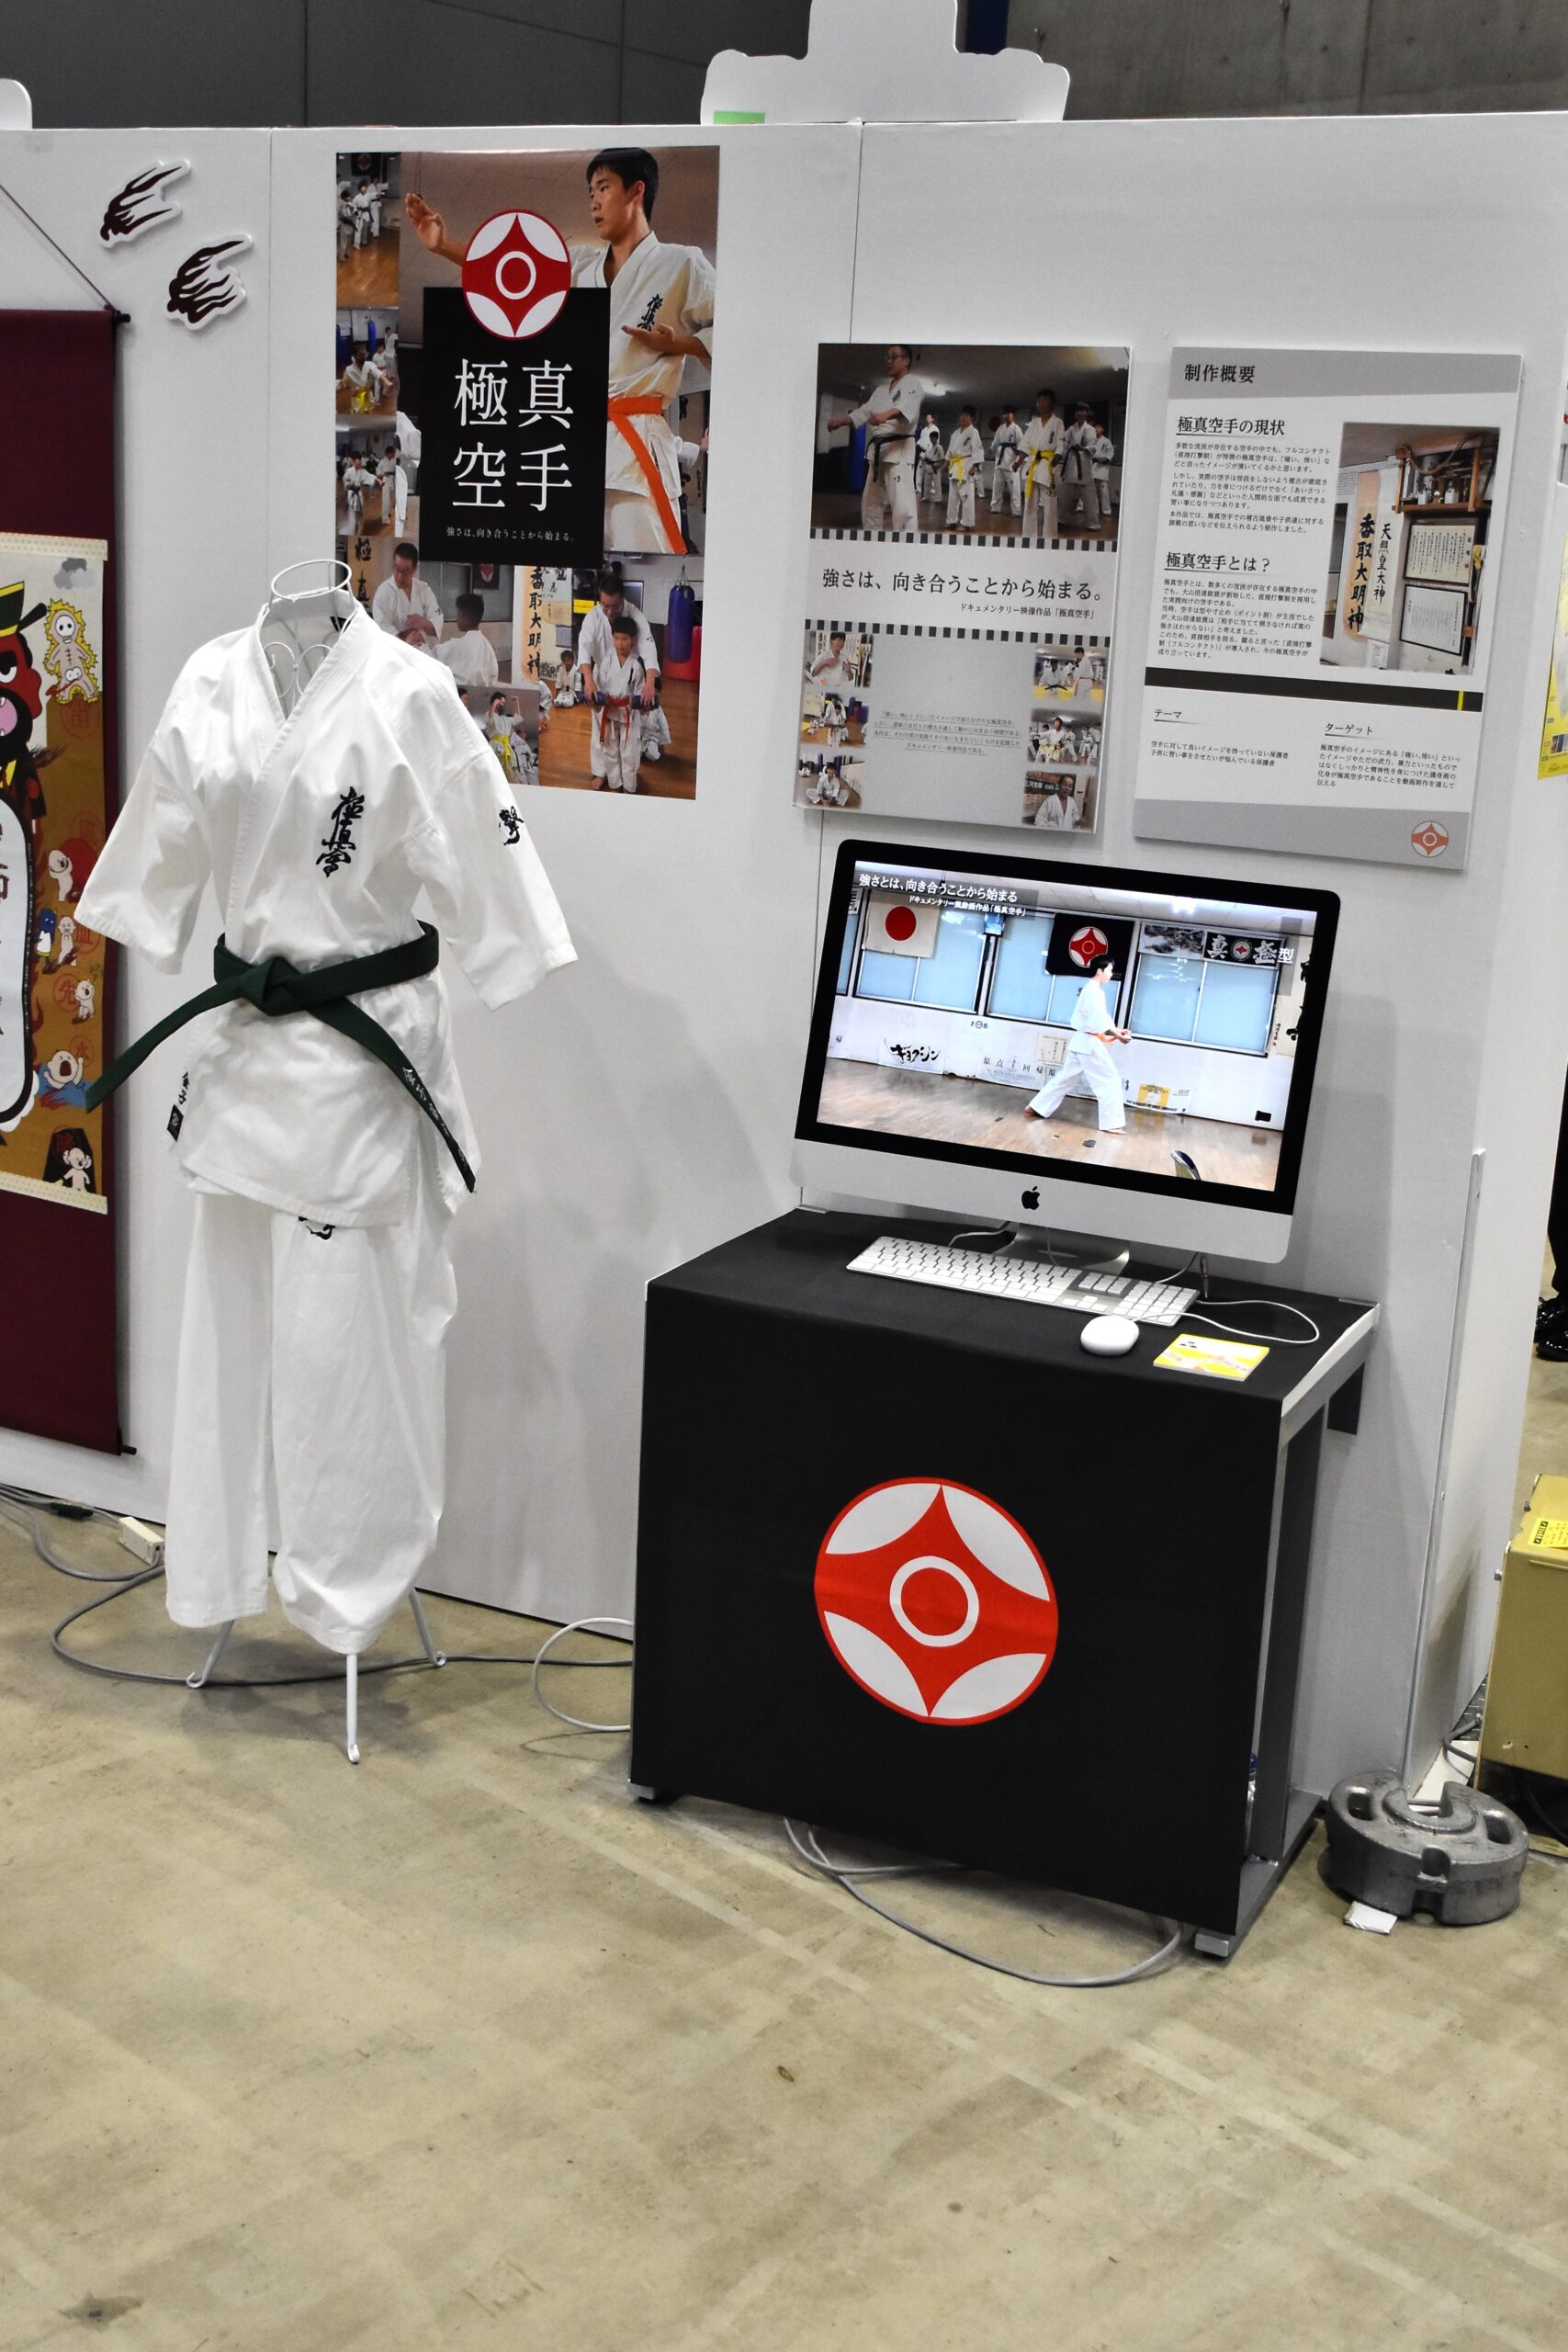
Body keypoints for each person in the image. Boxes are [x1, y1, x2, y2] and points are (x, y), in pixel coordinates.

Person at [407, 147, 714, 555]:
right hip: (574, 450)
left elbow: (739, 331)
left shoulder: (682, 264)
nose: (594, 202)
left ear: (636, 191)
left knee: (646, 557)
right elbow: (511, 269)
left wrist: (680, 344)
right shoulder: (581, 265)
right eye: (591, 193)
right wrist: (444, 245)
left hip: (636, 453)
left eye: (603, 188)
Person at [826, 344, 925, 532]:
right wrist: (840, 421)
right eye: (887, 357)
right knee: (870, 505)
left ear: (906, 360)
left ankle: (906, 545)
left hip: (899, 453)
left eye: (893, 357)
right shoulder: (880, 390)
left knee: (903, 508)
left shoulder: (913, 384)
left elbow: (906, 407)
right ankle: (871, 540)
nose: (889, 361)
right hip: (878, 454)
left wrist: (884, 415)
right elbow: (863, 412)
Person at [1027, 952, 1128, 1133]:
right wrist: (1117, 1034)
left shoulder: (1091, 990)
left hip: (1082, 1041)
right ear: (1099, 971)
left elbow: (1099, 1019)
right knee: (1110, 1080)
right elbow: (1098, 1018)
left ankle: (1036, 1107)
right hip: (1088, 1044)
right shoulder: (1093, 991)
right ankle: (1111, 1124)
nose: (1111, 974)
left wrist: (1116, 1031)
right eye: (1109, 970)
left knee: (1066, 1078)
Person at [575, 568, 668, 764]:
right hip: (601, 676)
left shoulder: (635, 615)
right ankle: (600, 771)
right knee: (601, 723)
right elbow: (583, 646)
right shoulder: (593, 617)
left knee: (629, 727)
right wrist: (588, 680)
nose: (609, 612)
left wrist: (650, 683)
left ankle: (628, 768)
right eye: (605, 606)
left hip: (628, 676)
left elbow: (648, 648)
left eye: (614, 607)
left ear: (622, 599)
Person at [591, 610, 647, 792]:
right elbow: (600, 687)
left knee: (629, 753)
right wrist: (602, 699)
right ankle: (615, 784)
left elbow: (640, 694)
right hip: (610, 713)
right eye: (616, 638)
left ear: (633, 640)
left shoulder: (636, 666)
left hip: (628, 715)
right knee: (610, 751)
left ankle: (629, 787)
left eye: (624, 639)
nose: (619, 643)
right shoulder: (607, 662)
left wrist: (634, 701)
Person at [1021, 387, 1065, 540]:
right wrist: (1018, 461)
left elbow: (1061, 443)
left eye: (1044, 400)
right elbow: (1025, 443)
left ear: (1052, 403)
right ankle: (1028, 536)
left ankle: (1050, 537)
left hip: (1048, 465)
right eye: (1038, 401)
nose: (1040, 403)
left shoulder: (1058, 423)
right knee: (1029, 504)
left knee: (1050, 505)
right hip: (1033, 465)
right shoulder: (1033, 423)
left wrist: (1057, 456)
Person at [372, 540, 442, 637]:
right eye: (397, 569)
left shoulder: (424, 589)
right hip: (395, 646)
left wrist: (424, 623)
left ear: (415, 569)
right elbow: (382, 628)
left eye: (405, 572)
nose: (399, 577)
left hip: (422, 645)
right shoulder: (384, 591)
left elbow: (437, 621)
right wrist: (405, 637)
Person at [435, 591, 500, 694]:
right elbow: (493, 677)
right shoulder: (488, 647)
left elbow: (432, 655)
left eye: (458, 615)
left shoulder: (456, 646)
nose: (457, 619)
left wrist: (419, 642)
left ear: (465, 618)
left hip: (459, 696)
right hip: (481, 698)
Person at [1058, 403, 1100, 533]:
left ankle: (1093, 523)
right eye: (1078, 411)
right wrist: (1060, 453)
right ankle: (1062, 519)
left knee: (1089, 496)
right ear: (1076, 414)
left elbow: (1093, 446)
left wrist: (1083, 448)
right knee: (1066, 494)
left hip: (1084, 463)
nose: (1080, 413)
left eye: (1082, 411)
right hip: (1072, 462)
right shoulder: (1071, 429)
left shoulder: (1090, 429)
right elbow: (1063, 442)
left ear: (1086, 413)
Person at [945, 406, 986, 530]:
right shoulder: (955, 434)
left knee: (966, 497)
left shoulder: (974, 432)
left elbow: (978, 450)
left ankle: (967, 523)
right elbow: (950, 451)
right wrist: (945, 464)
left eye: (966, 415)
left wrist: (974, 466)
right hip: (955, 467)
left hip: (966, 467)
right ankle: (951, 520)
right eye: (962, 415)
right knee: (952, 497)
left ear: (972, 418)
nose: (962, 417)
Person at [990, 407, 1024, 516]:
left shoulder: (1016, 429)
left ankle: (1016, 510)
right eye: (1004, 414)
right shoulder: (1000, 428)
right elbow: (996, 441)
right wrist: (992, 448)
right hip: (1000, 461)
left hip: (1011, 462)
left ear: (1013, 415)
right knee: (997, 486)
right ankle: (995, 507)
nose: (1006, 416)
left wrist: (1018, 462)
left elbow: (1021, 446)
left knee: (1014, 489)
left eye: (1008, 414)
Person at [809, 630, 856, 694]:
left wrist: (848, 671)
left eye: (843, 641)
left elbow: (850, 678)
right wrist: (824, 662)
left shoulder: (844, 658)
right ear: (832, 641)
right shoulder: (824, 656)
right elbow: (813, 673)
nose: (841, 643)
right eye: (839, 640)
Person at [1092, 420, 1116, 523]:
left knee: (1103, 490)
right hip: (1092, 467)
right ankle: (1083, 507)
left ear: (1103, 429)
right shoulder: (1091, 440)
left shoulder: (1106, 441)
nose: (1096, 429)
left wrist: (1102, 460)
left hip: (1101, 467)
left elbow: (1109, 455)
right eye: (1095, 427)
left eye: (1099, 427)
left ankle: (1106, 510)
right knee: (1089, 489)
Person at [918, 412, 942, 503]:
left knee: (936, 483)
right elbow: (921, 441)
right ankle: (925, 495)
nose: (927, 419)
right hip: (927, 460)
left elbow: (942, 458)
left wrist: (940, 465)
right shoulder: (924, 431)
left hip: (935, 464)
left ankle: (938, 497)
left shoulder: (939, 447)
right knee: (926, 481)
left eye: (929, 417)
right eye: (926, 417)